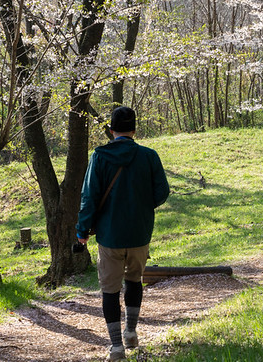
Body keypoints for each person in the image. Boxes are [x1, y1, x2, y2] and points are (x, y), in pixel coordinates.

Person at [76, 106, 169, 361]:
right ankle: (130, 332)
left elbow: (89, 197)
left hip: (109, 236)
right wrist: (141, 206)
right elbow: (162, 192)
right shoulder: (149, 156)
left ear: (112, 130)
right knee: (134, 281)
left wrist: (82, 231)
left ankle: (116, 347)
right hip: (139, 233)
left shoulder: (99, 157)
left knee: (109, 289)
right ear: (134, 130)